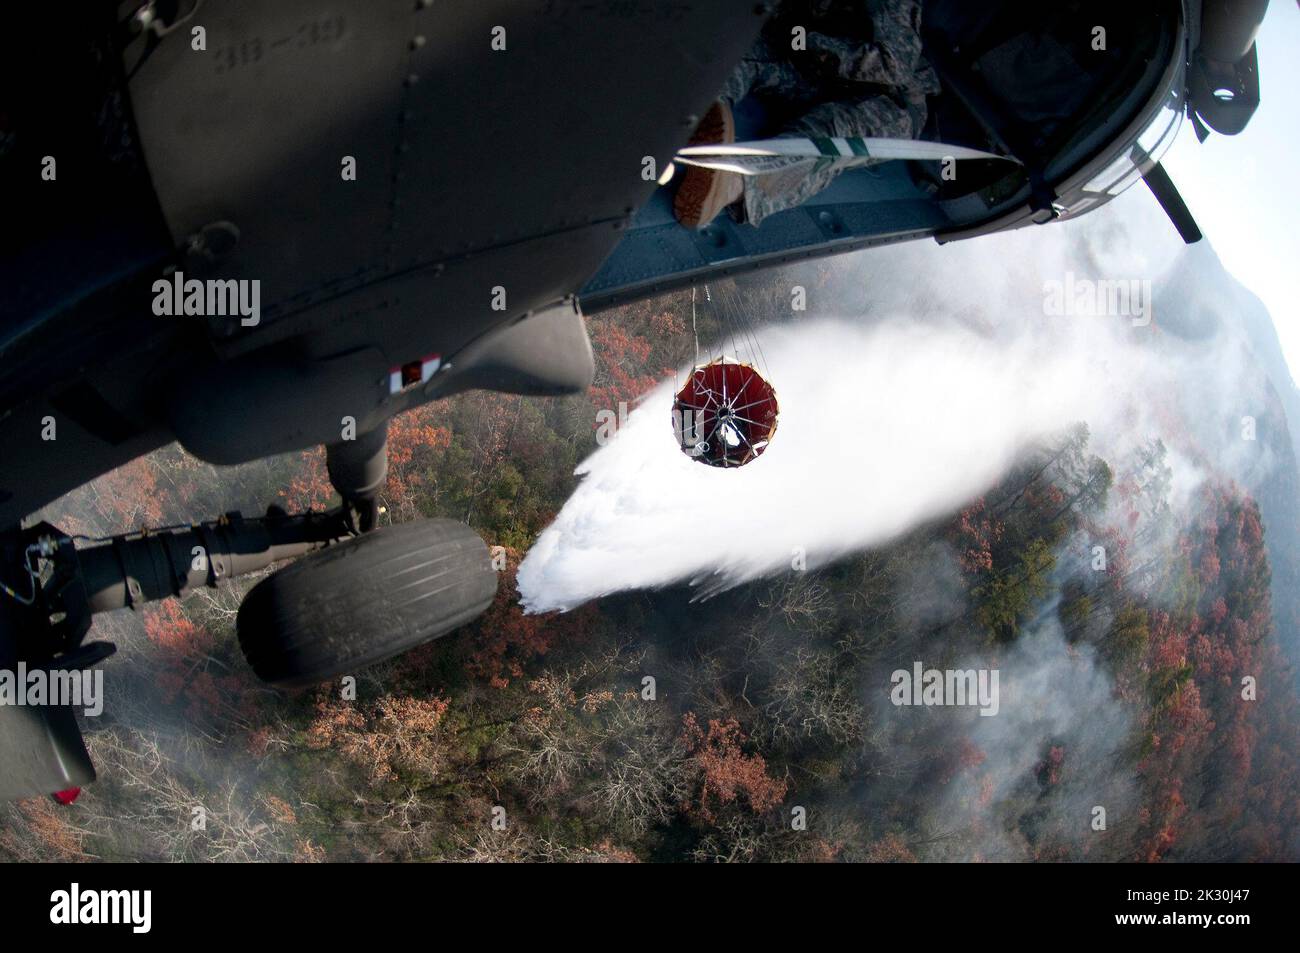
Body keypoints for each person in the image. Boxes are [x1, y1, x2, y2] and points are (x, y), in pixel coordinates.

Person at [674, 0, 940, 228]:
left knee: (828, 140)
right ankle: (704, 108)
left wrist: (806, 40)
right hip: (815, 70)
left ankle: (734, 184)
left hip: (891, 99)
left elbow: (891, 65)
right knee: (748, 53)